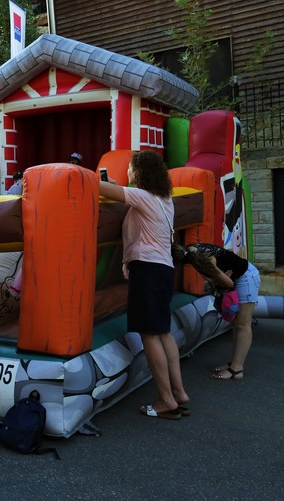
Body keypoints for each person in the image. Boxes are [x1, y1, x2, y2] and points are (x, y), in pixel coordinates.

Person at [99, 150, 188, 420]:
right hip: (162, 270)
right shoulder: (163, 200)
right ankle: (179, 392)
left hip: (146, 270)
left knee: (149, 335)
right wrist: (118, 187)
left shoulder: (141, 198)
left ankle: (165, 400)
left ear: (137, 173)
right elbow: (122, 192)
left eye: (129, 168)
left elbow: (94, 185)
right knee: (163, 332)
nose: (127, 172)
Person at [172, 243, 261, 380]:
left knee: (243, 325)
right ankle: (234, 363)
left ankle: (237, 370)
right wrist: (217, 278)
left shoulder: (202, 261)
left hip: (245, 278)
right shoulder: (193, 249)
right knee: (237, 324)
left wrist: (216, 279)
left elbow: (228, 283)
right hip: (240, 275)